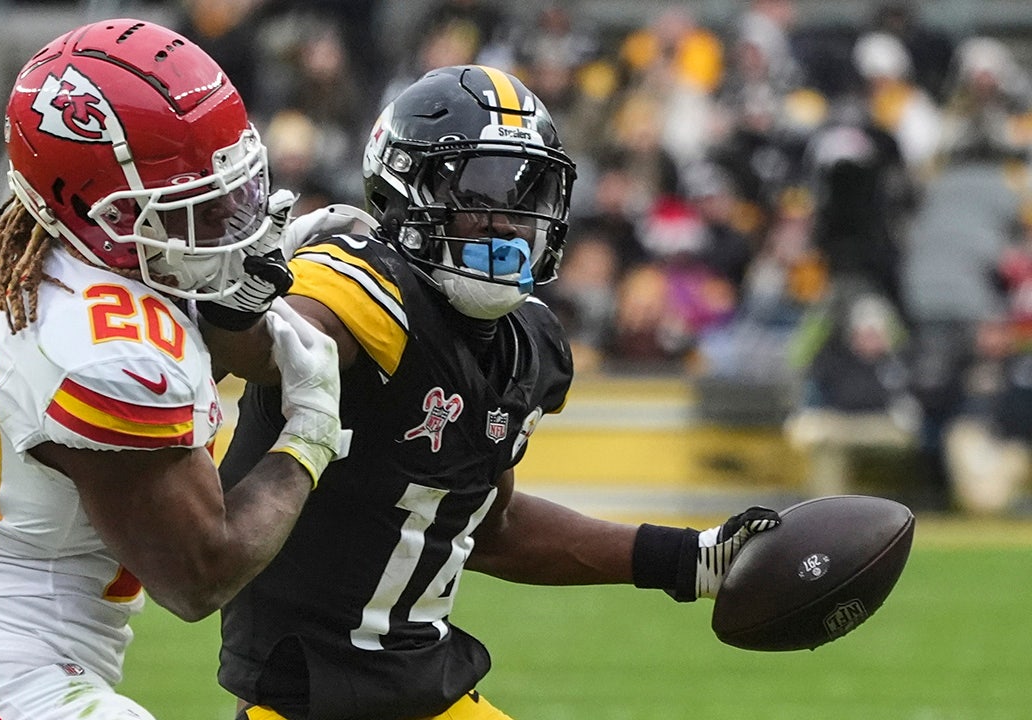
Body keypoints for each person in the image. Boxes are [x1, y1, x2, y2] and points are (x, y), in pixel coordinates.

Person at [204, 65, 780, 720]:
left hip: (430, 693)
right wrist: (242, 312)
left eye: (527, 194)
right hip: (307, 703)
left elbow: (491, 524)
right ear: (403, 189)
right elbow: (277, 353)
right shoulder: (362, 288)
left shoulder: (524, 343)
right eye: (479, 194)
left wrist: (689, 559)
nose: (507, 224)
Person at [0, 19, 347, 720]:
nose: (231, 223)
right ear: (95, 209)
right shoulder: (102, 349)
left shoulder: (58, 252)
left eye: (232, 192)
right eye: (196, 207)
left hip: (1, 656)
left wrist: (242, 294)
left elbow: (197, 351)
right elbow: (200, 572)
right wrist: (309, 435)